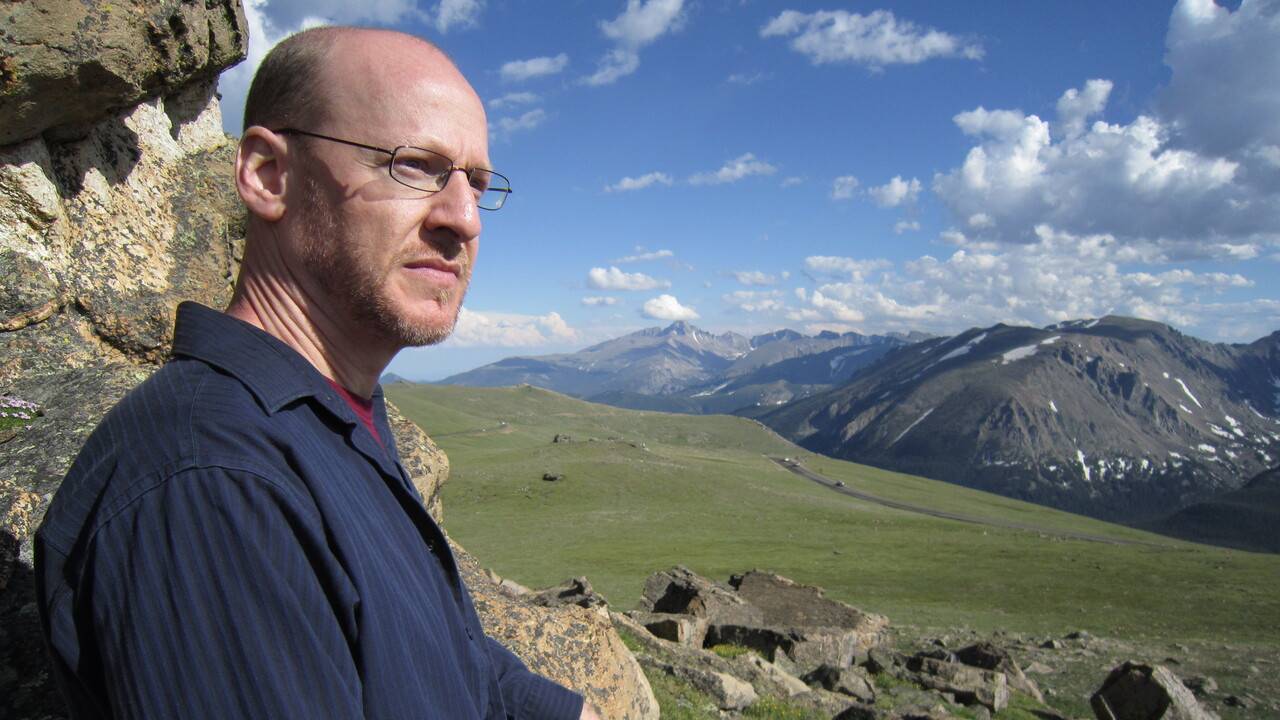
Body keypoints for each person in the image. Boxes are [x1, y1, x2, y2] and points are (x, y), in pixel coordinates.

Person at [35, 26, 602, 719]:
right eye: (414, 165)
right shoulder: (216, 483)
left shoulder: (327, 417)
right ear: (268, 175)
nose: (464, 219)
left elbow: (435, 655)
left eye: (476, 183)